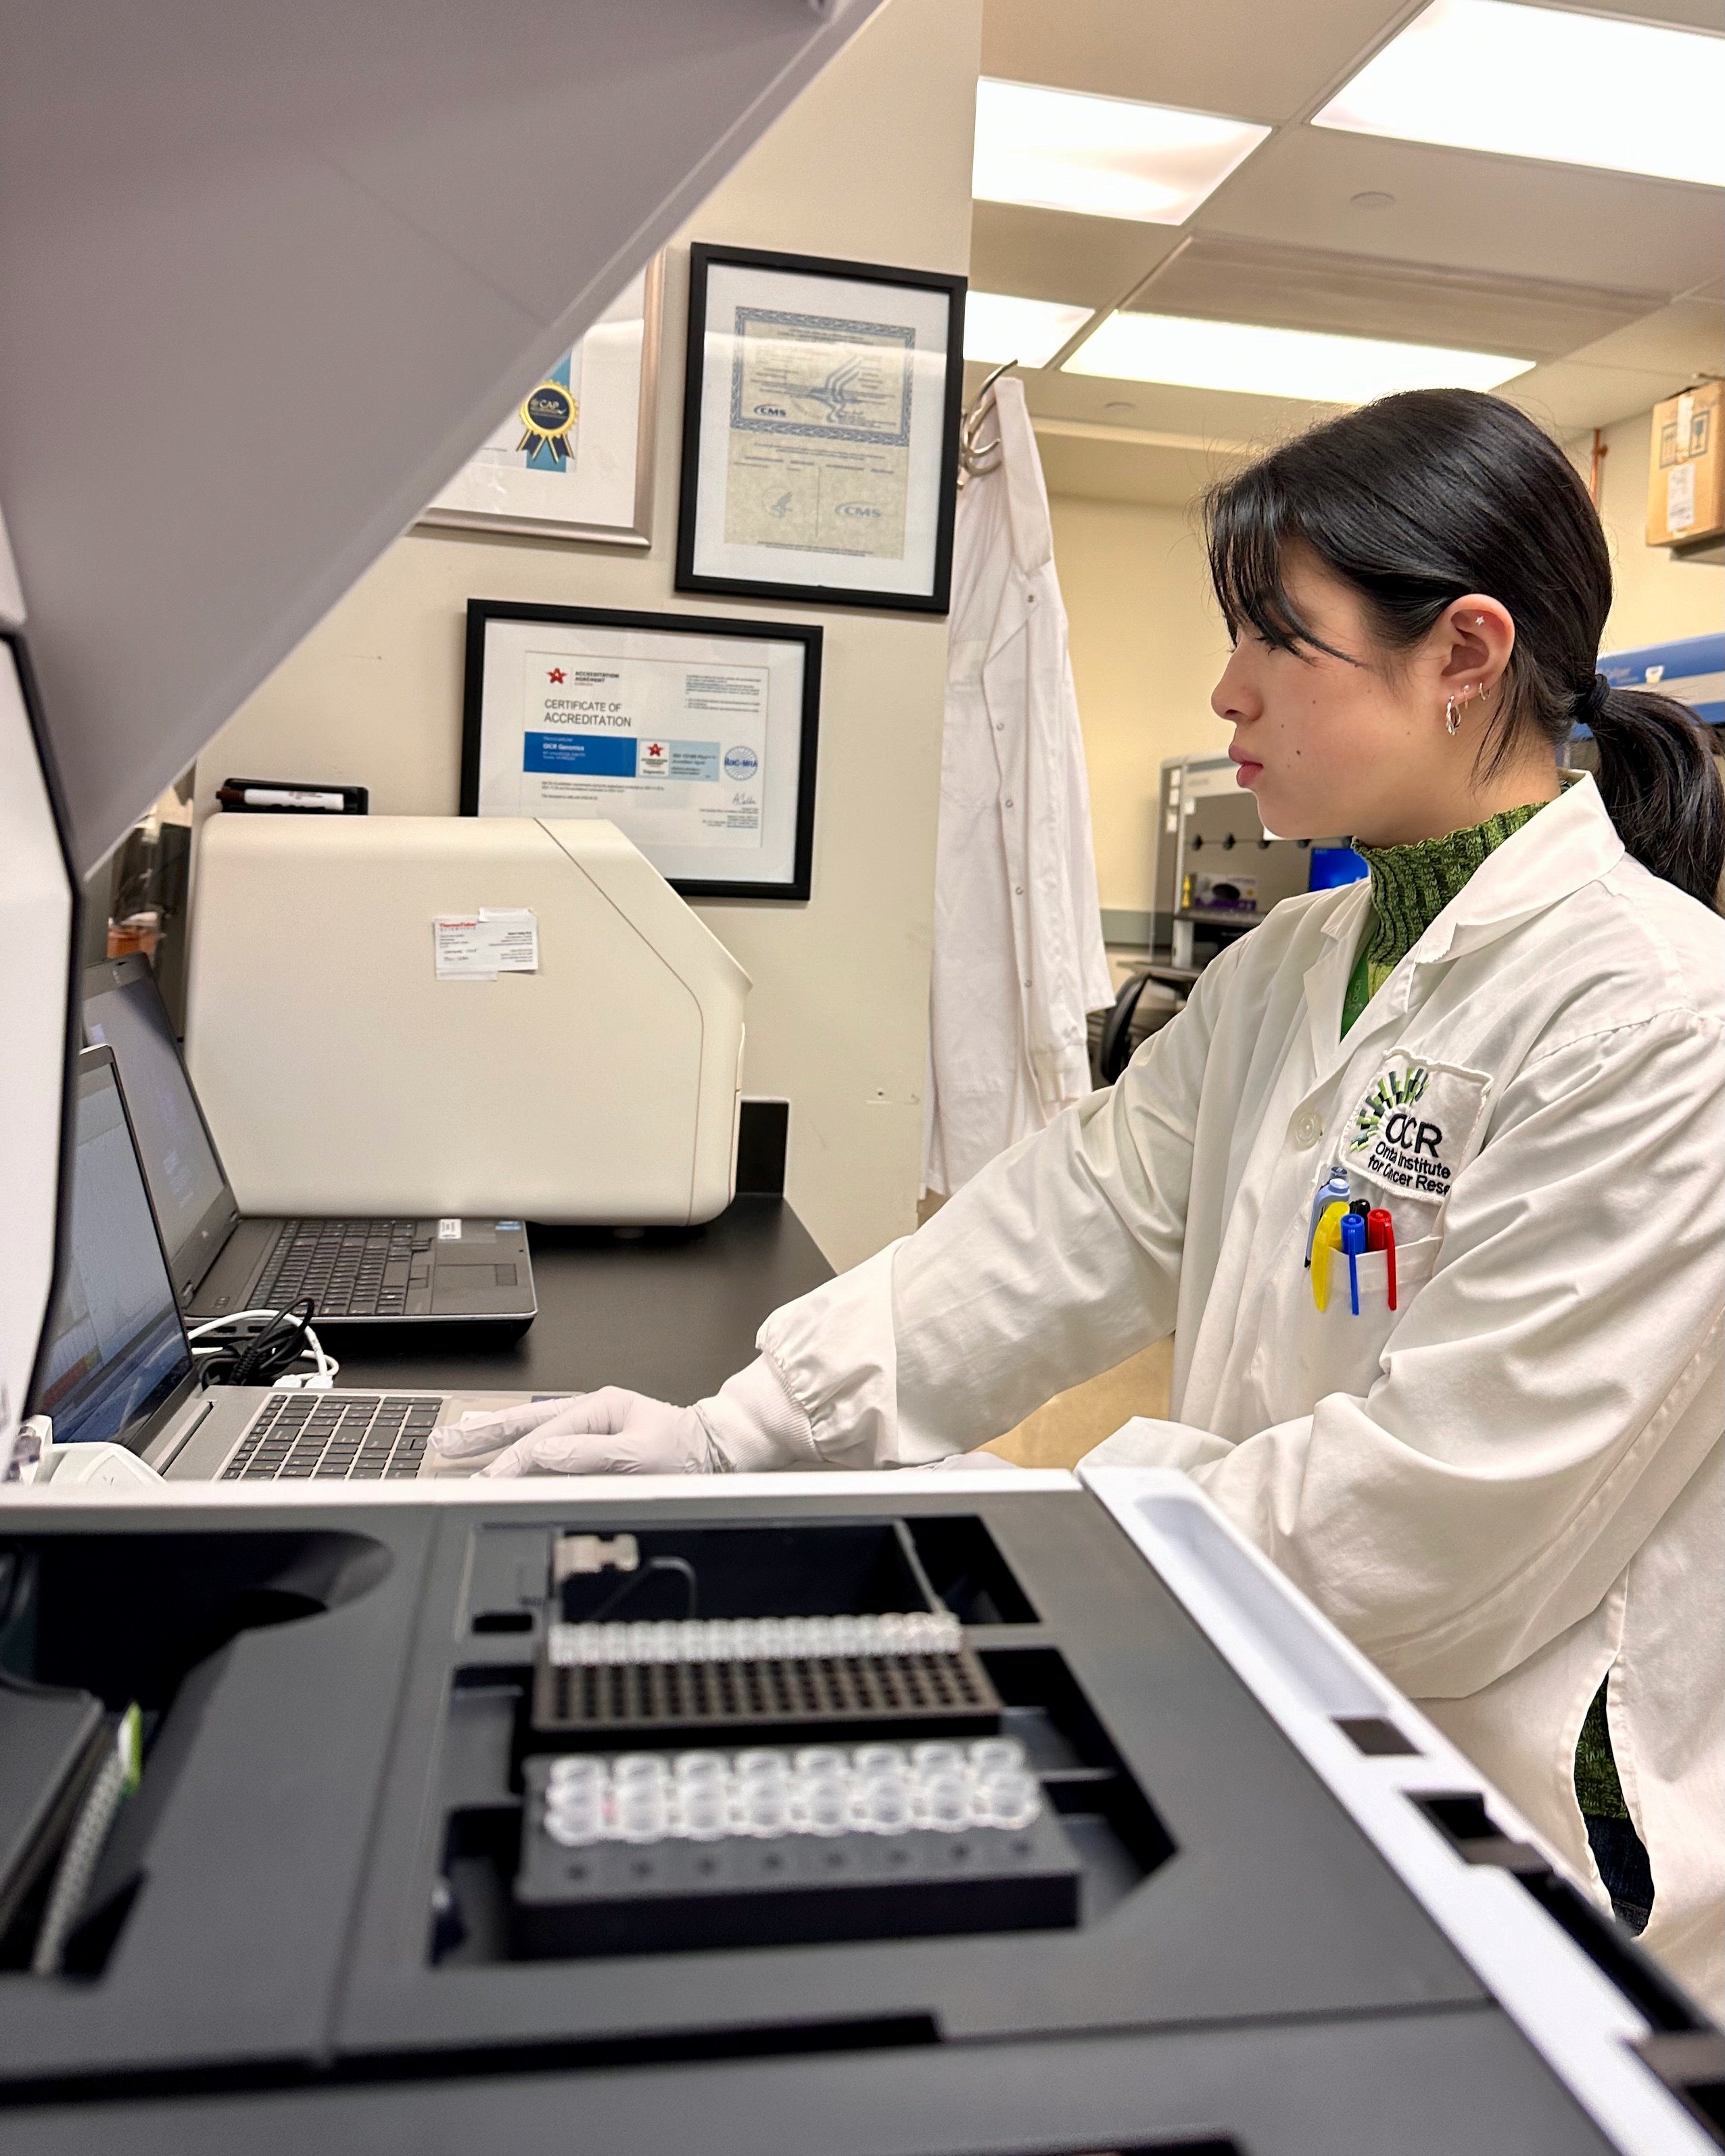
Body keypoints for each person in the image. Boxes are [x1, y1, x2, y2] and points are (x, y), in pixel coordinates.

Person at [435, 389, 1724, 2011]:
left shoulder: (1659, 1024)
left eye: (1275, 638)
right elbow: (1063, 1224)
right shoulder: (1296, 962)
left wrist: (1038, 1518)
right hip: (1281, 1708)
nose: (1227, 688)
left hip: (1528, 1836)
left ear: (1464, 652)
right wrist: (737, 1432)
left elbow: (1432, 1524)